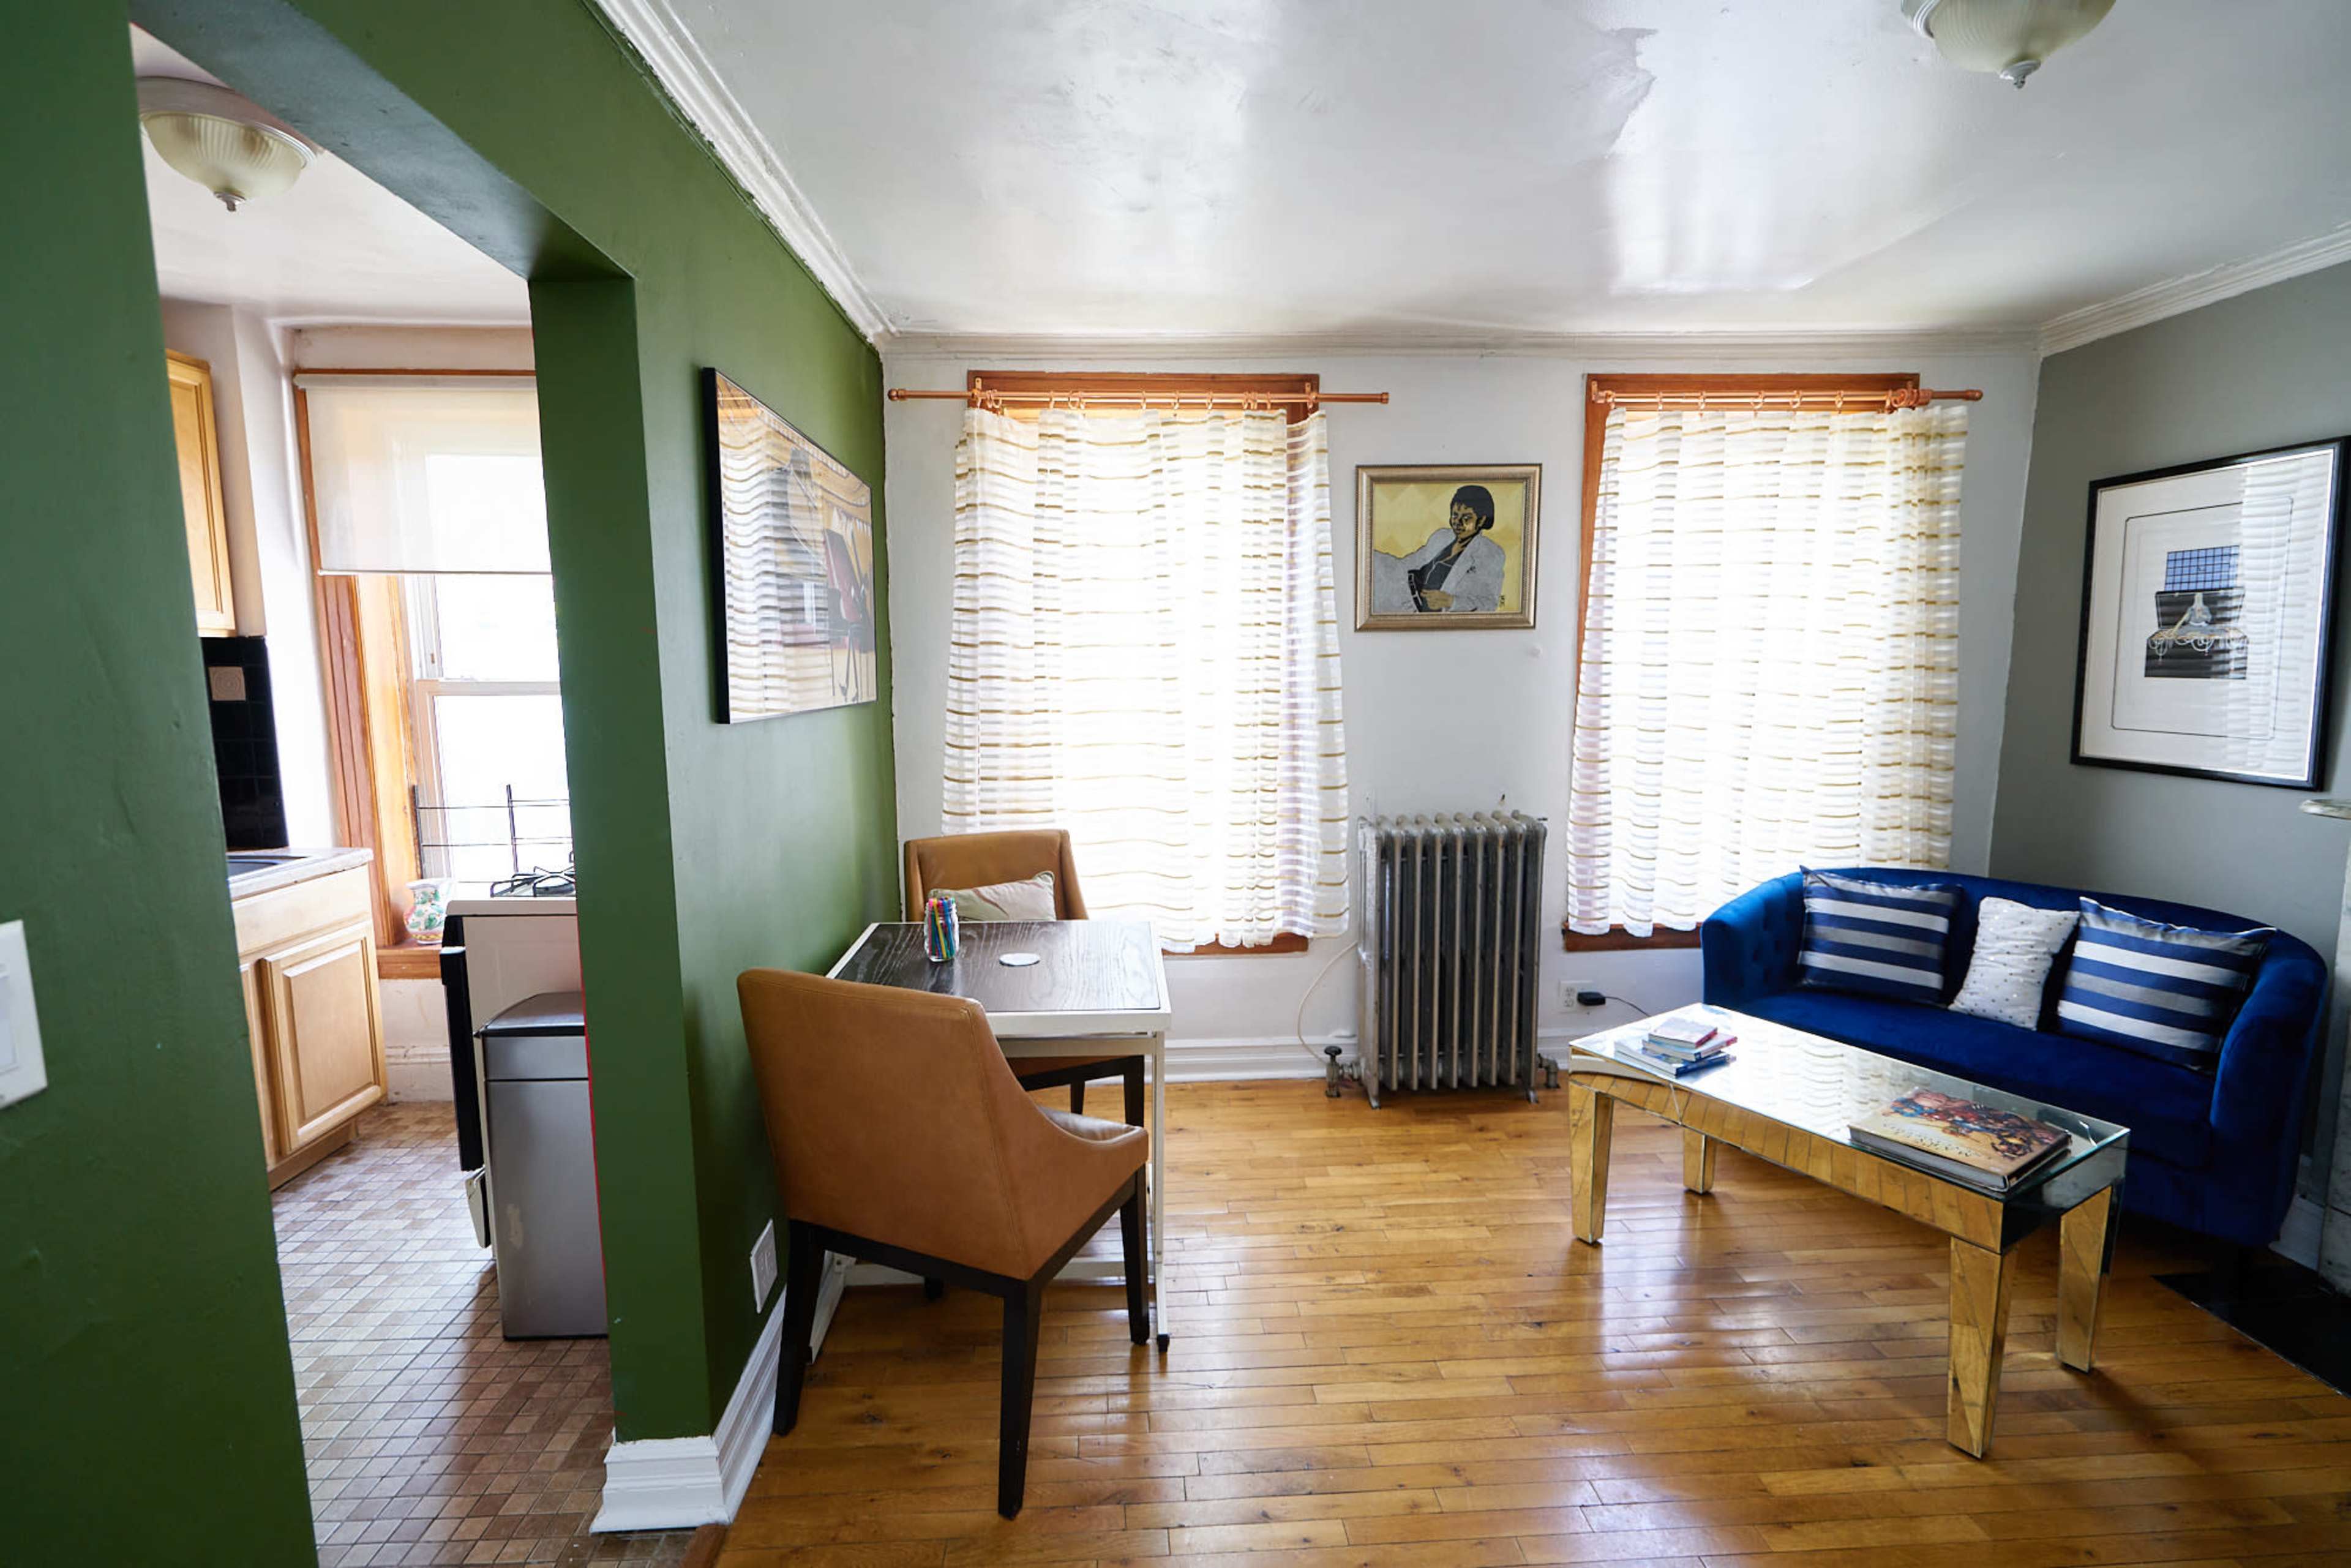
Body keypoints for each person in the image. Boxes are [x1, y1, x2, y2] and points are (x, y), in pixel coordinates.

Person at [1371, 484, 1507, 614]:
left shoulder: (1491, 553)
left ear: (1482, 520)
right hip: (1401, 590)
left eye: (1466, 518)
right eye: (1455, 515)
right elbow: (1407, 564)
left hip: (1417, 611)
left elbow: (1490, 604)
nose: (1458, 523)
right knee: (1370, 561)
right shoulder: (1442, 536)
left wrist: (1451, 601)